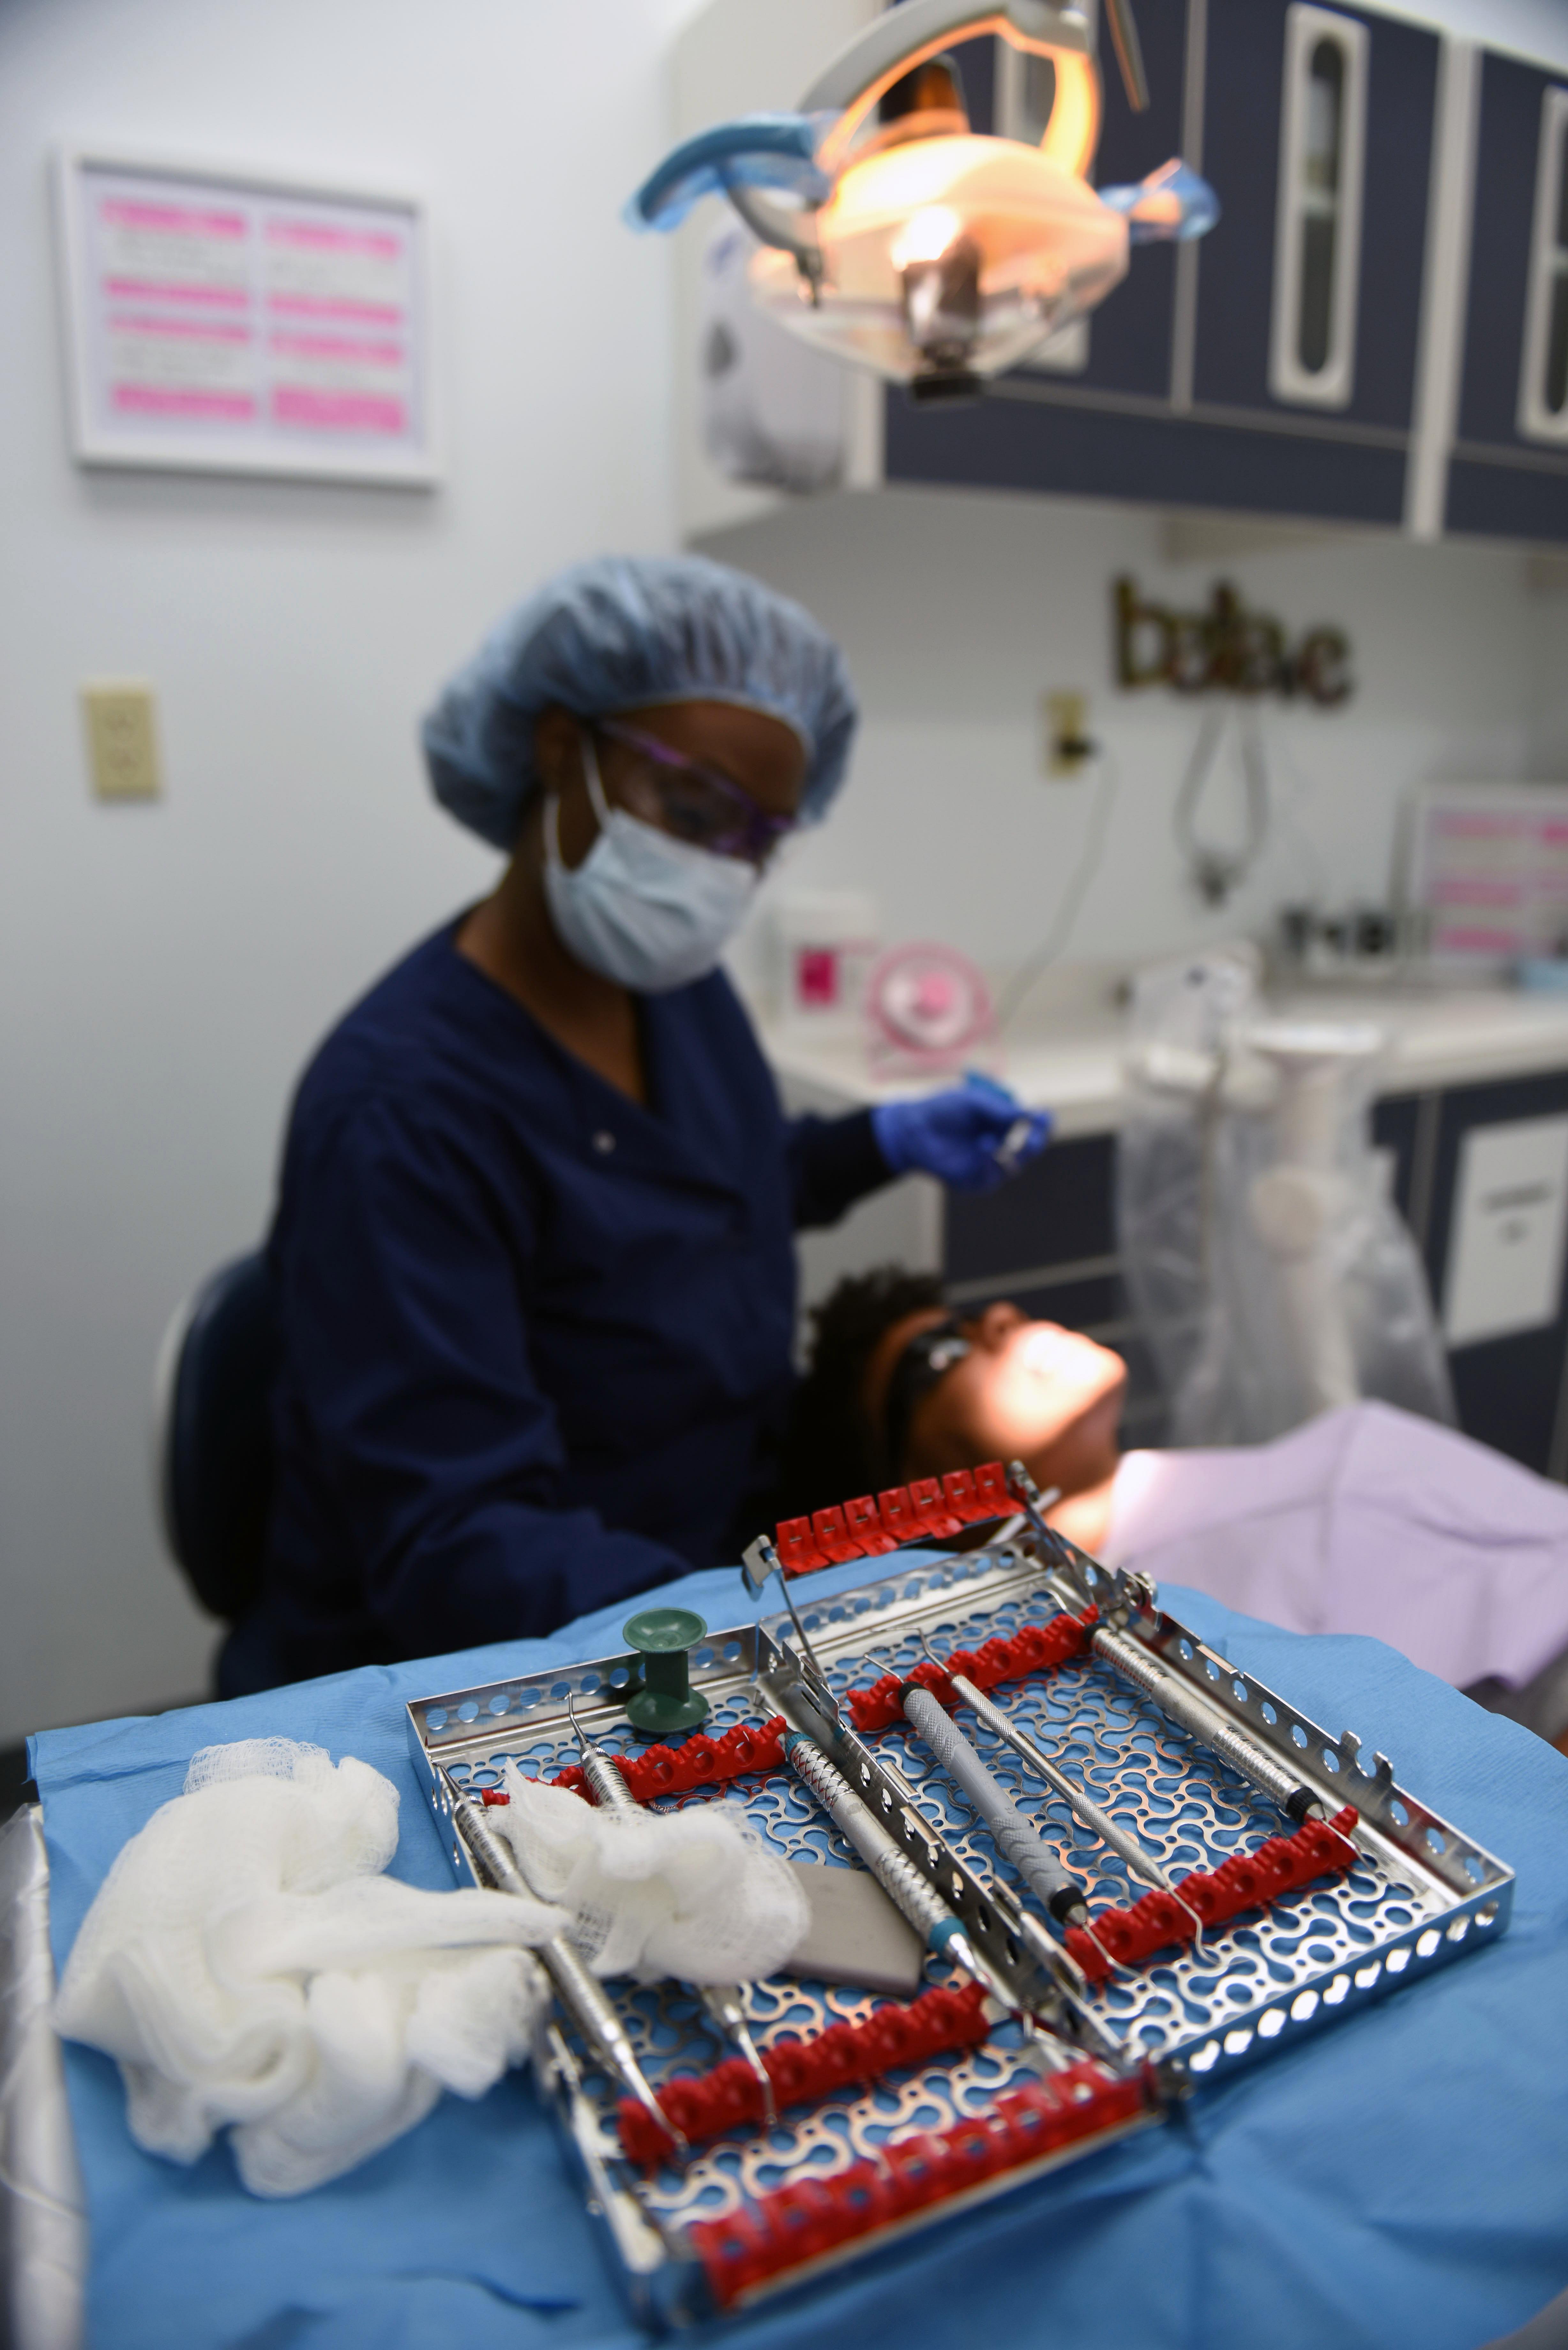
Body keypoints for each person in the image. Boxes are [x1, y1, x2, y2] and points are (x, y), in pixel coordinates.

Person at [222, 557, 1050, 1696]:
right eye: (697, 809)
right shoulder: (401, 1113)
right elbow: (461, 1540)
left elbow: (700, 1188)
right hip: (467, 1665)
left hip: (689, 1567)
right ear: (563, 749)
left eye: (759, 837)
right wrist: (745, 1634)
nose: (720, 870)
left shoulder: (677, 996)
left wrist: (877, 1146)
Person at [780, 1267, 1568, 1739]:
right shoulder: (1107, 1663)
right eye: (939, 1354)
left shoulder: (1271, 1472)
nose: (1000, 1318)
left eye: (973, 1316)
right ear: (909, 1496)